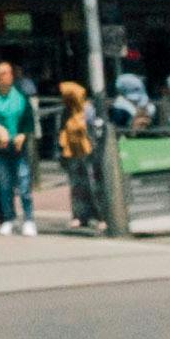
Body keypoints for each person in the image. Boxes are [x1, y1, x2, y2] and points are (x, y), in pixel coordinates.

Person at [0, 59, 39, 236]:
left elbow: (28, 119)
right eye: (3, 73)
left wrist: (22, 134)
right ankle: (8, 218)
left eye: (9, 73)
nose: (7, 76)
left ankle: (29, 219)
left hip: (17, 147)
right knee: (4, 186)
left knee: (24, 184)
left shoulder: (20, 94)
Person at [56, 79, 104, 233]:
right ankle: (79, 215)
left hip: (88, 152)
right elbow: (62, 132)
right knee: (76, 185)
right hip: (72, 153)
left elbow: (94, 131)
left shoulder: (88, 110)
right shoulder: (66, 112)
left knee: (93, 184)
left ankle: (100, 216)